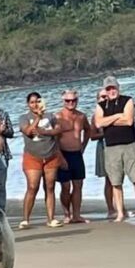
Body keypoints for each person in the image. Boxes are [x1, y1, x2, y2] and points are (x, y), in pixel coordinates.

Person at [94, 76, 135, 221]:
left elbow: (129, 120)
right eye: (108, 89)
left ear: (118, 88)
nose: (111, 91)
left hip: (129, 145)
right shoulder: (101, 106)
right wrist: (118, 116)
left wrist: (109, 120)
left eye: (113, 88)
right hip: (111, 148)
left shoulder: (128, 100)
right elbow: (98, 123)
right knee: (115, 182)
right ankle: (119, 213)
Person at [19, 92, 65, 229]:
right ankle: (25, 219)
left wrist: (44, 132)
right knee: (33, 187)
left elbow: (58, 130)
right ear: (28, 104)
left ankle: (51, 218)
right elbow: (28, 131)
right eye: (32, 102)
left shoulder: (51, 116)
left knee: (50, 187)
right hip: (32, 157)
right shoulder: (24, 118)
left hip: (51, 156)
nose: (35, 105)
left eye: (37, 101)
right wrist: (38, 118)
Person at [56, 89, 91, 224]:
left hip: (77, 154)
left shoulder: (81, 116)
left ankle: (76, 215)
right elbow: (54, 139)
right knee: (65, 186)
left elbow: (88, 130)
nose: (71, 103)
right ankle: (67, 213)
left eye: (73, 100)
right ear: (63, 101)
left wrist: (83, 145)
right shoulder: (57, 117)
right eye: (68, 100)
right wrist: (60, 157)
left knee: (78, 185)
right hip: (63, 154)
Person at [91, 89, 115, 218]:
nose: (105, 99)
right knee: (109, 180)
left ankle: (120, 207)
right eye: (102, 97)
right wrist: (107, 133)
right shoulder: (95, 116)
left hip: (117, 146)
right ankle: (111, 209)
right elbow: (92, 135)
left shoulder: (115, 112)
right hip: (104, 147)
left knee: (118, 179)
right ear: (98, 100)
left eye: (106, 97)